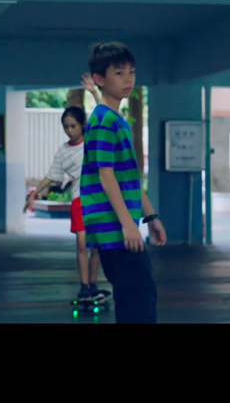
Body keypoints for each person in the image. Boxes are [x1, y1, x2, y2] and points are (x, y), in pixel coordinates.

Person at [80, 42, 167, 324]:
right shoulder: (104, 121)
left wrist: (150, 216)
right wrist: (128, 224)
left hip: (120, 226)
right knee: (137, 300)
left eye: (131, 72)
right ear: (99, 79)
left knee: (139, 296)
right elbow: (105, 176)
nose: (128, 79)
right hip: (115, 228)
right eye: (119, 73)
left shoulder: (116, 120)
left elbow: (129, 178)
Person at [24, 90, 108, 303]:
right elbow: (51, 175)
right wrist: (34, 194)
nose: (69, 130)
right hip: (79, 200)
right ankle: (84, 287)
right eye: (66, 127)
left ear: (82, 125)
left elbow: (104, 115)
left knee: (96, 248)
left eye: (73, 126)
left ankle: (93, 285)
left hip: (98, 200)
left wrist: (93, 92)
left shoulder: (91, 141)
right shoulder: (63, 151)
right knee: (81, 245)